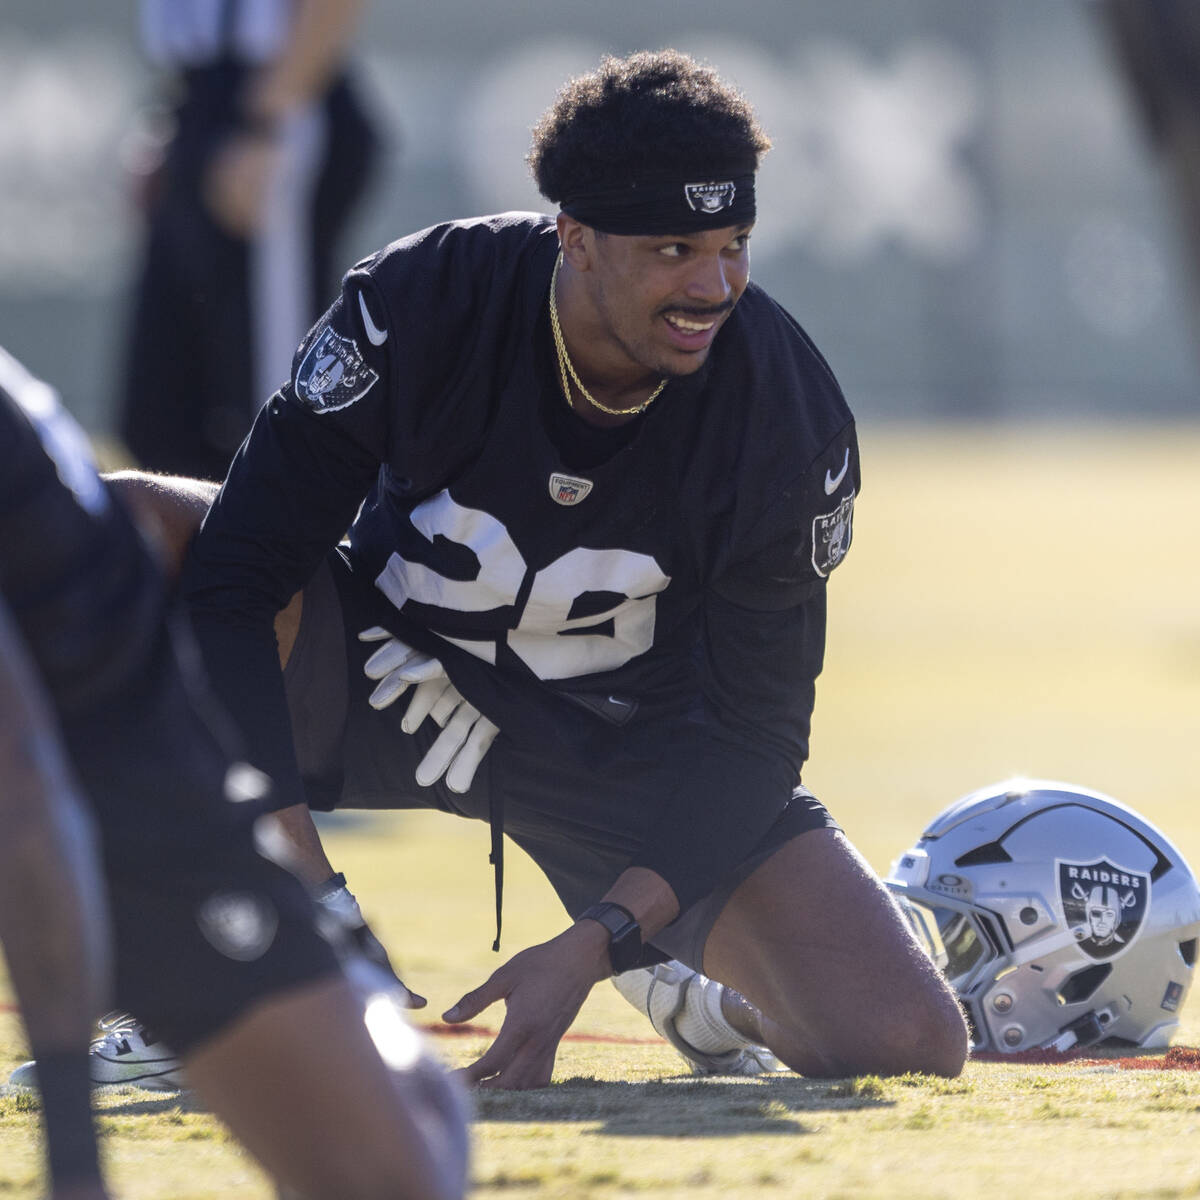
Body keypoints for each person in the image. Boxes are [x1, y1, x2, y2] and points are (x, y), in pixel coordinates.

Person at [114, 49, 970, 1089]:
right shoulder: (425, 300)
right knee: (126, 528)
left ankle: (660, 959)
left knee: (904, 1039)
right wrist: (305, 890)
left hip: (615, 748)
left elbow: (757, 733)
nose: (714, 285)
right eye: (673, 249)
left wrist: (603, 936)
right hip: (388, 672)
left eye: (734, 244)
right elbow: (237, 581)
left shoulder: (781, 411)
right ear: (576, 238)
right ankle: (197, 958)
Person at [0, 346, 468, 1200]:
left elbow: (26, 802)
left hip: (119, 732)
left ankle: (341, 977)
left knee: (390, 1167)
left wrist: (74, 1163)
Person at [117, 0, 379, 482]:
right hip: (201, 108)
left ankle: (300, 557)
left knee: (274, 422)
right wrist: (175, 132)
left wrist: (265, 123)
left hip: (275, 103)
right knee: (158, 428)